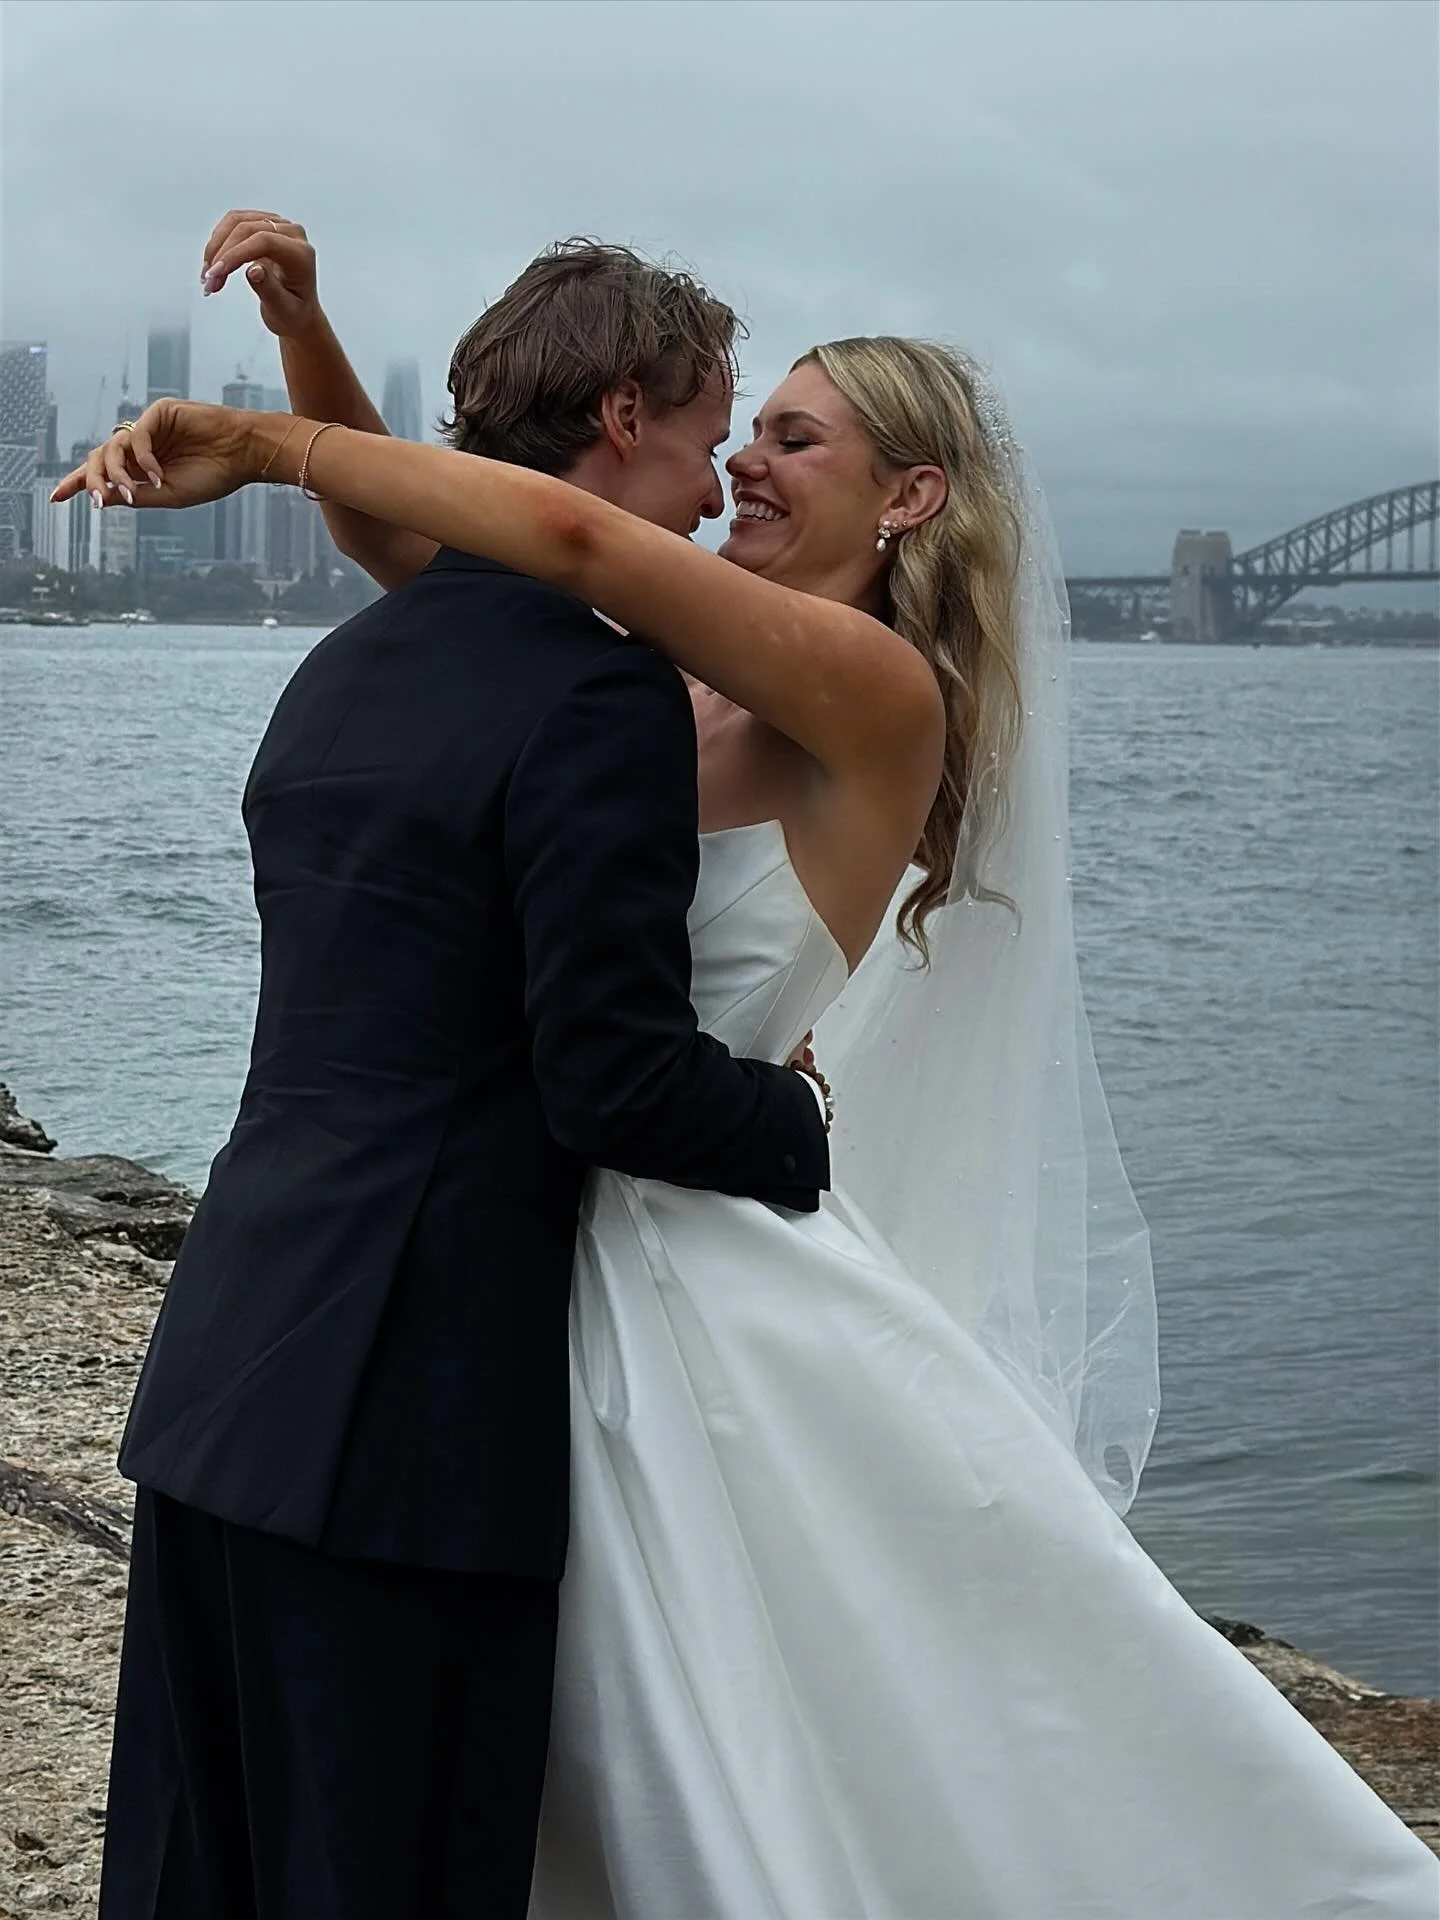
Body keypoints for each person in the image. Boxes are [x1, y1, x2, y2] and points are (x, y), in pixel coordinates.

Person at [61, 219, 1440, 1914]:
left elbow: (547, 520)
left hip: (683, 1238)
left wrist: (271, 438)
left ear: (913, 500)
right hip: (532, 1249)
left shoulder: (870, 692)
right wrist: (306, 338)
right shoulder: (630, 678)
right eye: (737, 423)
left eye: (792, 438)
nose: (734, 471)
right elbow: (444, 548)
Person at [80, 241, 833, 1920]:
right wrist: (802, 1121)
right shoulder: (594, 690)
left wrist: (298, 339)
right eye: (711, 427)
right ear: (622, 414)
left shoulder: (351, 665)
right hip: (409, 1421)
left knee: (196, 1873)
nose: (719, 478)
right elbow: (612, 1081)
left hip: (227, 1365)